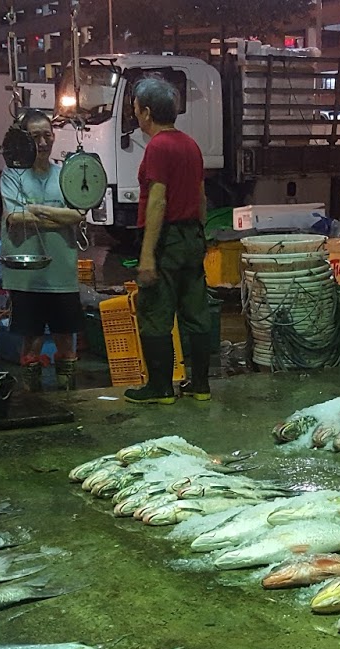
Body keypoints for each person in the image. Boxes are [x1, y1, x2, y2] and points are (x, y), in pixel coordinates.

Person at [125, 77, 212, 405]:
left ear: (146, 112)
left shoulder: (158, 147)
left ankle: (160, 388)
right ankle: (200, 385)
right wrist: (199, 234)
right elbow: (201, 196)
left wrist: (147, 256)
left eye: (136, 108)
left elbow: (157, 200)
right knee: (196, 312)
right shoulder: (190, 144)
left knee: (156, 312)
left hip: (168, 239)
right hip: (191, 236)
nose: (135, 114)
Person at [0, 110, 86, 391]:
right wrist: (59, 215)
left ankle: (68, 395)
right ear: (25, 139)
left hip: (62, 272)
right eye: (36, 136)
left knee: (65, 337)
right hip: (26, 275)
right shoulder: (12, 175)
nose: (43, 142)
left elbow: (78, 215)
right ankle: (31, 396)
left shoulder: (65, 174)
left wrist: (35, 209)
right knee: (31, 340)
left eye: (47, 135)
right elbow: (14, 217)